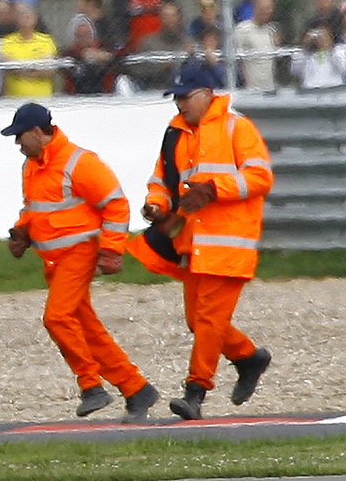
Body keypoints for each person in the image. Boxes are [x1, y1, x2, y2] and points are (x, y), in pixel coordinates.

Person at [128, 61, 274, 421]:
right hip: (194, 245)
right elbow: (162, 178)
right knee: (198, 320)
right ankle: (248, 357)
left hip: (229, 243)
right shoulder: (176, 133)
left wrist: (212, 191)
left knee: (207, 320)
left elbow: (260, 177)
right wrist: (156, 206)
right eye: (175, 97)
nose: (179, 104)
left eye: (184, 96)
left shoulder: (237, 127)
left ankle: (195, 393)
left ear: (208, 94)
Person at [1, 103, 159, 422]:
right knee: (86, 329)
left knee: (57, 318)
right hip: (55, 261)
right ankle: (136, 388)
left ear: (37, 132)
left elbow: (115, 205)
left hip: (79, 254)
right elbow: (34, 207)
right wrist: (23, 230)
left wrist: (112, 251)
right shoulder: (31, 166)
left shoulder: (79, 162)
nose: (17, 143)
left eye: (20, 136)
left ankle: (91, 386)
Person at [0, 2, 58, 98]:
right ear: (16, 19)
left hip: (43, 99)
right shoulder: (7, 41)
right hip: (14, 99)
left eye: (28, 16)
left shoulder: (46, 41)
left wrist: (22, 70)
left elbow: (49, 70)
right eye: (22, 17)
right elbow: (10, 68)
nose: (25, 20)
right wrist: (36, 68)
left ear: (35, 19)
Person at [129, 2, 194, 92]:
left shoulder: (189, 42)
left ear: (179, 18)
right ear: (160, 18)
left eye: (173, 16)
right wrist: (162, 66)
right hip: (155, 91)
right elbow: (138, 71)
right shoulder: (148, 42)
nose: (170, 20)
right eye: (166, 16)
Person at [233, 0, 280, 92]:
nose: (267, 12)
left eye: (269, 8)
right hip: (250, 89)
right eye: (264, 9)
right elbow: (236, 61)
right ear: (255, 8)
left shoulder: (271, 30)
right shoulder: (243, 29)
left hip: (269, 88)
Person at [290, 22, 346, 90]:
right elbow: (295, 71)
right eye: (316, 34)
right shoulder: (305, 53)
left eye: (323, 34)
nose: (320, 37)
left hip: (334, 89)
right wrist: (305, 47)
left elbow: (343, 69)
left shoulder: (339, 50)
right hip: (310, 91)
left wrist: (329, 48)